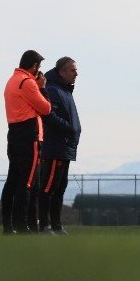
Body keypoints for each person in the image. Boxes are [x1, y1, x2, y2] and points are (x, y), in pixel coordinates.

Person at [1, 50, 52, 235]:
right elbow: (46, 108)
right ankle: (23, 225)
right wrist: (41, 87)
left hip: (13, 132)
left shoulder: (11, 81)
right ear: (35, 67)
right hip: (29, 134)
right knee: (28, 182)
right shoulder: (28, 82)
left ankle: (8, 226)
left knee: (12, 181)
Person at [36, 57, 82, 235]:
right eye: (72, 70)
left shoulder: (66, 91)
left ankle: (56, 225)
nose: (76, 73)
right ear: (62, 72)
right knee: (48, 186)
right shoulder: (53, 90)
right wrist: (69, 129)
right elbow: (49, 115)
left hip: (66, 148)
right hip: (56, 147)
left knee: (60, 186)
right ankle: (44, 226)